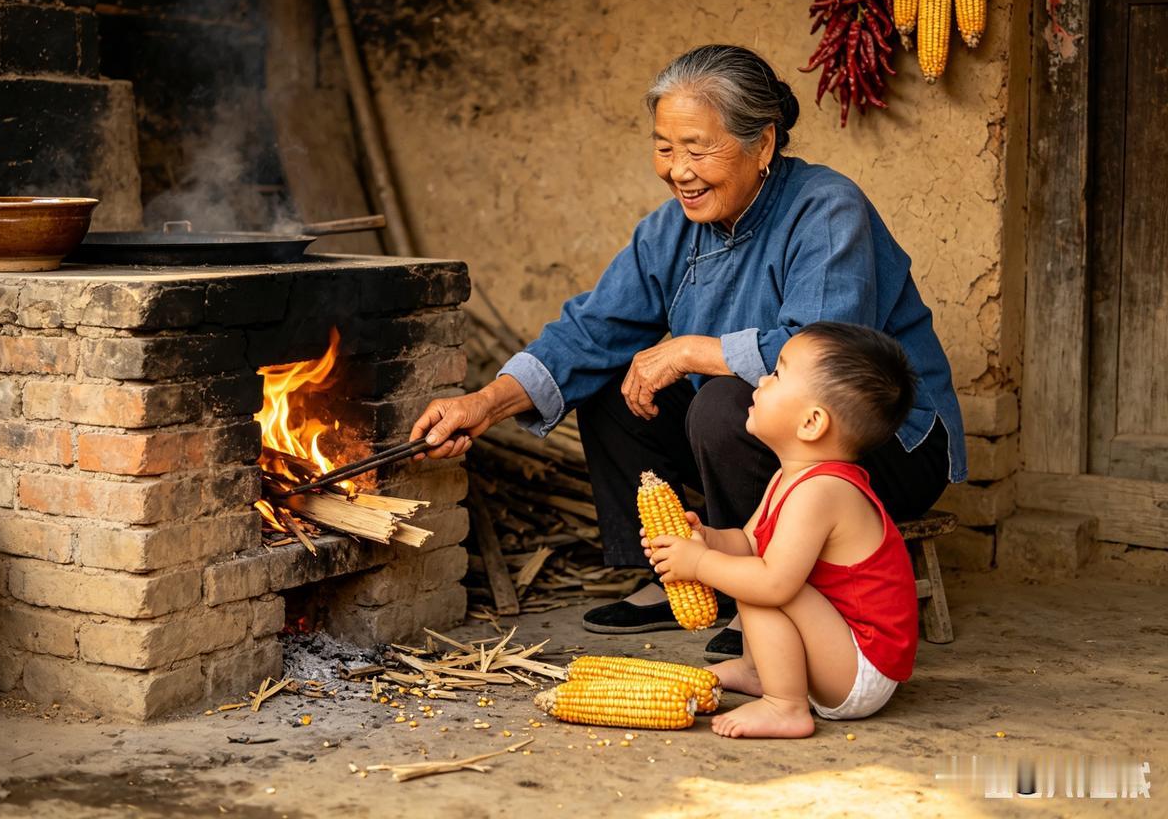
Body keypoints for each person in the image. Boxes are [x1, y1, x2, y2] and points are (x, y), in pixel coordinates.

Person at [408, 44, 965, 658]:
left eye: (698, 148)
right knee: (618, 385)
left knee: (726, 403)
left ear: (763, 144)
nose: (679, 170)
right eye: (665, 147)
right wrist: (484, 405)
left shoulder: (826, 209)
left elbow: (824, 362)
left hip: (877, 446)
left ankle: (764, 592)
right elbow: (590, 332)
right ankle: (674, 576)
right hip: (780, 436)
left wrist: (690, 352)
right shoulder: (671, 228)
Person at [646, 322, 920, 738]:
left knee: (764, 582)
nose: (759, 378)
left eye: (776, 373)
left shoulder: (824, 490)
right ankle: (759, 671)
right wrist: (706, 540)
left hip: (862, 665)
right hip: (834, 648)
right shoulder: (787, 479)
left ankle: (785, 706)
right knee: (751, 566)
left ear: (811, 423)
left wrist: (701, 563)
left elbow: (773, 584)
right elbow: (746, 543)